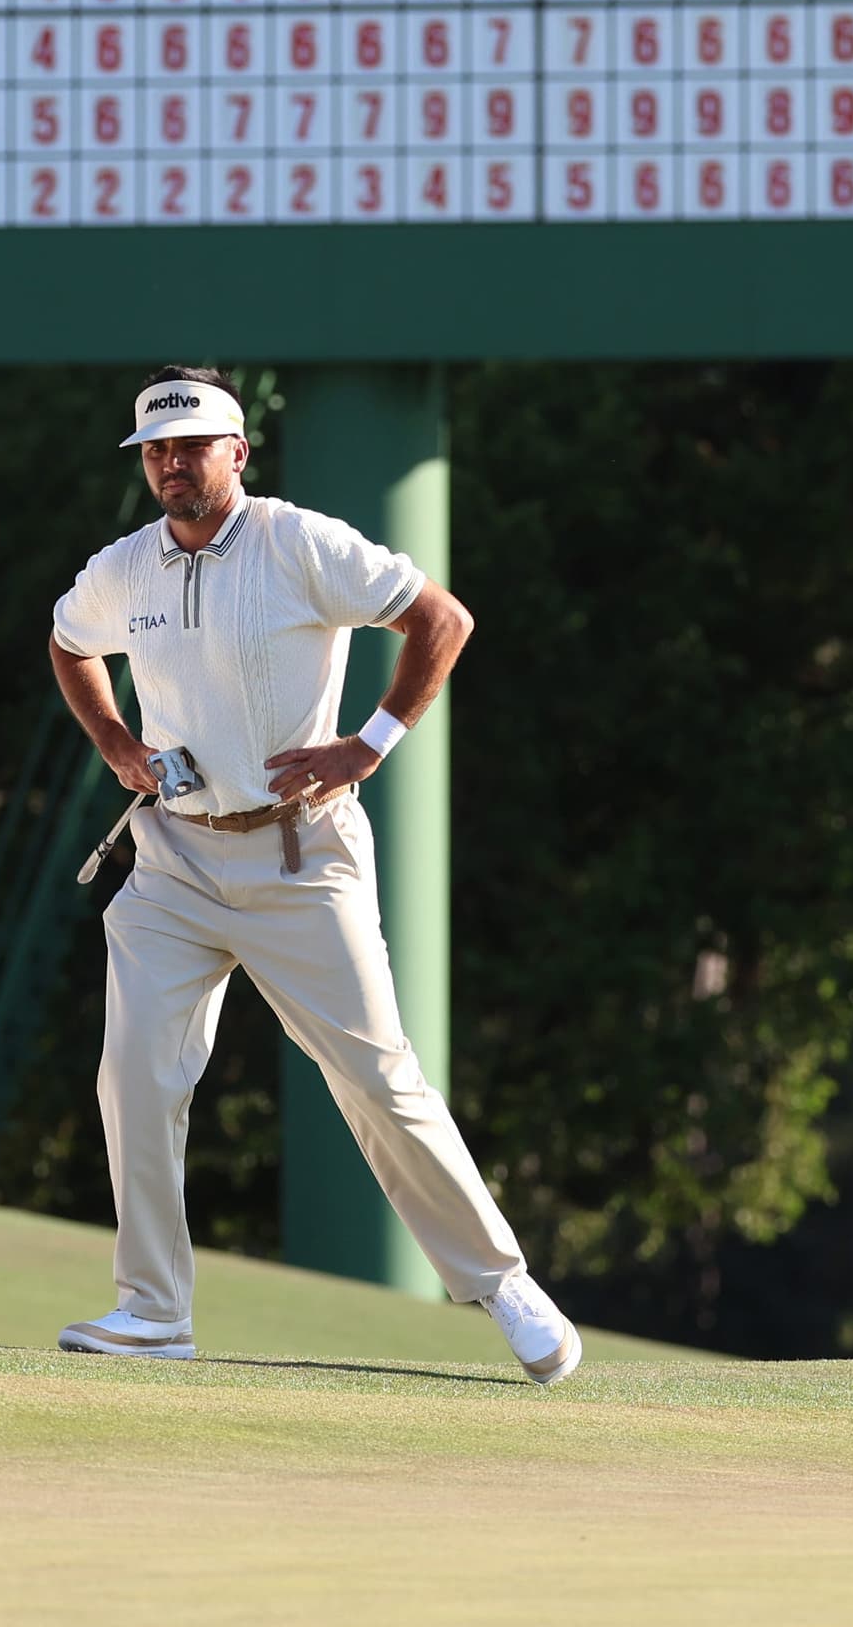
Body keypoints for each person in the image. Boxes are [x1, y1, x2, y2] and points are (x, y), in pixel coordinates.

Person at [43, 367, 581, 1386]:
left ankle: (503, 1281)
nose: (170, 464)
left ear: (236, 452)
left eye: (190, 446)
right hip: (173, 858)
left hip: (301, 854)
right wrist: (116, 740)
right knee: (134, 1076)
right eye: (155, 450)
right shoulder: (126, 566)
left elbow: (443, 619)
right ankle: (152, 1309)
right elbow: (71, 641)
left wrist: (368, 745)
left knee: (377, 1076)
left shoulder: (300, 541)